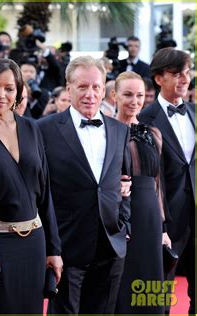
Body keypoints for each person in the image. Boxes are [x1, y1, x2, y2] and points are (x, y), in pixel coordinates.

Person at [0, 59, 63, 314]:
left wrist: (54, 249)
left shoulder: (30, 127)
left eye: (9, 88)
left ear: (19, 93)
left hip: (35, 242)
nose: (1, 94)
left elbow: (45, 192)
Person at [37, 56, 131, 314]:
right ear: (68, 88)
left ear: (104, 90)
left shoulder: (119, 130)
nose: (90, 94)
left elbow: (124, 180)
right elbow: (39, 190)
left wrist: (125, 223)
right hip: (66, 244)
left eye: (96, 87)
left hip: (111, 243)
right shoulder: (44, 129)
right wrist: (50, 244)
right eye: (82, 87)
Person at [138, 47, 195, 315]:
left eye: (188, 71)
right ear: (159, 79)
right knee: (157, 295)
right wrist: (157, 224)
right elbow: (147, 175)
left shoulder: (194, 112)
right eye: (177, 73)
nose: (185, 78)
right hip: (166, 221)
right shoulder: (143, 119)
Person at [113, 71, 171, 314]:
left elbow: (160, 184)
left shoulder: (154, 133)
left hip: (149, 218)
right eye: (127, 94)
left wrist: (164, 228)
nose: (134, 101)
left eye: (139, 95)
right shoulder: (107, 130)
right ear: (114, 96)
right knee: (122, 281)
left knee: (149, 282)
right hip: (119, 216)